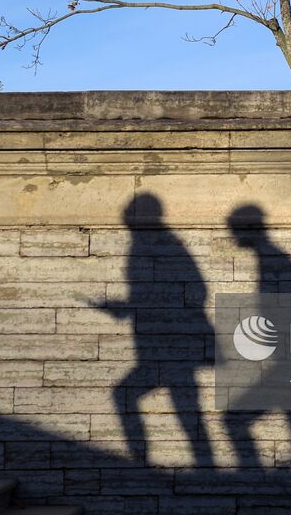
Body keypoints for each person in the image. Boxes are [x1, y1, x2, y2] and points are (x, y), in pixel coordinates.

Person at [95, 192, 214, 467]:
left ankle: (142, 463)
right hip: (158, 348)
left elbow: (197, 291)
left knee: (179, 411)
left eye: (129, 211)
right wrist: (130, 306)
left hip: (174, 346)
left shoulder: (166, 244)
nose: (124, 217)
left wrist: (133, 306)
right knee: (187, 414)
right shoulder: (143, 245)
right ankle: (200, 467)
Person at [222, 203, 291, 470]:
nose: (234, 237)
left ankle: (256, 483)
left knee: (235, 419)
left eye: (235, 231)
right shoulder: (270, 260)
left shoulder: (274, 263)